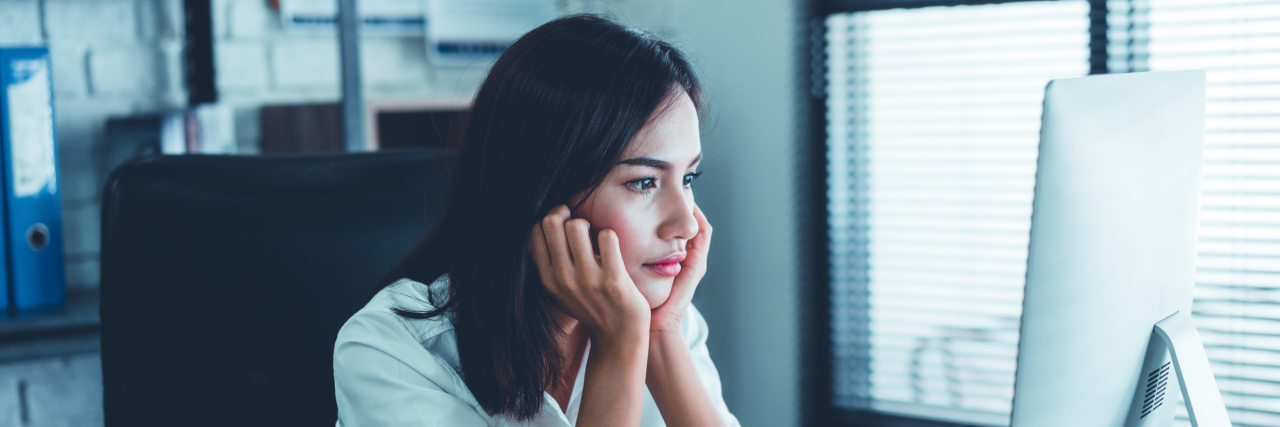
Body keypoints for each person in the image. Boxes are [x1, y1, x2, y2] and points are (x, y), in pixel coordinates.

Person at [332, 14, 740, 427]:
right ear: (542, 191)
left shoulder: (662, 314)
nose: (686, 225)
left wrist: (662, 334)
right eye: (644, 182)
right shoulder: (391, 350)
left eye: (688, 177)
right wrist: (619, 349)